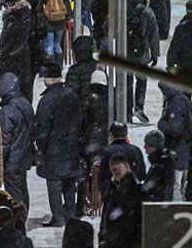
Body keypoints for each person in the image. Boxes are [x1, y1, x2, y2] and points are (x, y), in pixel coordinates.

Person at [35, 63, 82, 227]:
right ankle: (70, 213)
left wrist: (41, 147)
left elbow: (42, 129)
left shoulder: (46, 101)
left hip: (54, 150)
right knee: (69, 182)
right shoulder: (72, 96)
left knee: (54, 182)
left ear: (47, 81)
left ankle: (58, 217)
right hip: (72, 147)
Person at [141, 129, 176, 248]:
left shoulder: (158, 168)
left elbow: (151, 191)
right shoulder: (165, 164)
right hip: (163, 221)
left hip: (157, 222)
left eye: (147, 145)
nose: (144, 148)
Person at [0, 73, 34, 215]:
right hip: (23, 155)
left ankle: (18, 219)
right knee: (22, 187)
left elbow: (4, 142)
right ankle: (23, 214)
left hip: (12, 159)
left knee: (14, 192)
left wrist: (0, 160)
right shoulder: (25, 104)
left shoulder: (6, 112)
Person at [98, 155, 145, 248]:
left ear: (127, 167)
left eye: (119, 167)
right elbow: (106, 217)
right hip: (116, 245)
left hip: (129, 245)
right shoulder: (112, 188)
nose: (116, 171)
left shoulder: (136, 189)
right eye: (113, 169)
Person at [124, 0, 160, 124]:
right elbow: (154, 34)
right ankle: (139, 107)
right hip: (142, 52)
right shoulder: (146, 11)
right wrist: (155, 54)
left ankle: (127, 110)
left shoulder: (122, 8)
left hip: (125, 52)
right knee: (141, 80)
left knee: (127, 82)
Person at [0, 0, 38, 103]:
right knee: (26, 88)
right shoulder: (30, 18)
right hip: (27, 58)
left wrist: (0, 55)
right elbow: (36, 37)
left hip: (11, 59)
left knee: (10, 86)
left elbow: (4, 41)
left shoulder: (12, 19)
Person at [79, 68, 109, 215]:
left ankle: (88, 202)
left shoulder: (87, 97)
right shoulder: (112, 97)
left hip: (90, 141)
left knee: (88, 173)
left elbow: (82, 121)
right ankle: (102, 199)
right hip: (106, 140)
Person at [157, 81, 192, 200]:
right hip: (184, 150)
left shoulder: (175, 103)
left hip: (177, 151)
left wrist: (162, 124)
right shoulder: (181, 99)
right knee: (181, 187)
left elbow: (175, 130)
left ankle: (179, 212)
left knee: (175, 187)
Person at [98, 121, 146, 200]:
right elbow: (141, 174)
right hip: (132, 195)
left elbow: (102, 175)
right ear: (126, 135)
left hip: (113, 196)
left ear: (111, 135)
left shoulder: (107, 152)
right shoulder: (136, 150)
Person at [37, 0, 70, 65]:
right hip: (60, 20)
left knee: (48, 46)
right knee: (57, 45)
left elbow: (38, 6)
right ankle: (59, 67)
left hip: (48, 21)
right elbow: (67, 4)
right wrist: (68, 18)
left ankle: (50, 68)